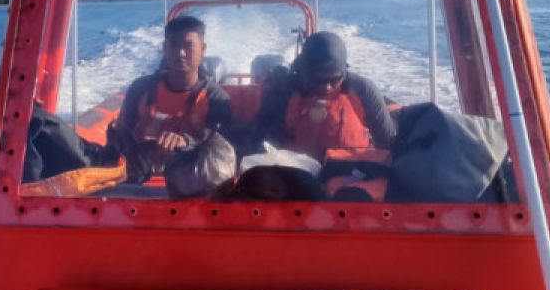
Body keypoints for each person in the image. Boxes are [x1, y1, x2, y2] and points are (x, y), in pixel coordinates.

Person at [112, 15, 232, 179]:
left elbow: (221, 149)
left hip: (193, 177)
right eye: (174, 45)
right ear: (164, 48)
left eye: (188, 46)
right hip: (139, 173)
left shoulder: (216, 98)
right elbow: (121, 132)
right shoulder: (140, 88)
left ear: (202, 49)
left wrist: (186, 143)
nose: (180, 53)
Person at [253, 31, 396, 165]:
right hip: (296, 171)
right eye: (318, 79)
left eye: (334, 79)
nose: (327, 87)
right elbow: (263, 141)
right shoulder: (283, 91)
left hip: (350, 172)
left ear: (344, 71)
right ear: (304, 72)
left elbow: (387, 140)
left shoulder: (363, 90)